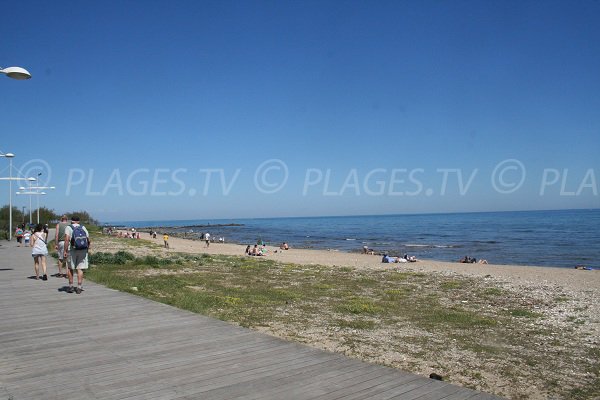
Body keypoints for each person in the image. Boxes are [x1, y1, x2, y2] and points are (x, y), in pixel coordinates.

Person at [63, 216, 91, 294]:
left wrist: (65, 251)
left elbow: (67, 239)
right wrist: (87, 248)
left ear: (71, 221)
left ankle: (71, 286)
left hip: (72, 250)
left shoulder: (69, 228)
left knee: (70, 268)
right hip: (83, 250)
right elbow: (88, 239)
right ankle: (79, 287)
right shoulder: (83, 227)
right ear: (78, 221)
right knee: (80, 268)